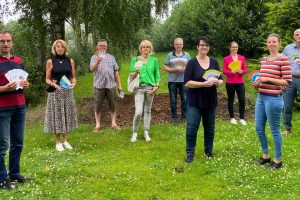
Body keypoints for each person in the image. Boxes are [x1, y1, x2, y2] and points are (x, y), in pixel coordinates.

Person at [253, 33, 291, 170]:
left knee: (275, 130)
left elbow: (286, 81)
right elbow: (262, 77)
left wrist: (268, 80)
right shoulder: (264, 59)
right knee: (258, 128)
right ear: (267, 44)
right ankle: (265, 155)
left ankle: (277, 159)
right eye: (269, 42)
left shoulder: (284, 59)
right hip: (261, 97)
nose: (272, 44)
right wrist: (257, 82)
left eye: (274, 42)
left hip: (274, 99)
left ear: (279, 43)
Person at [0, 31, 31, 190]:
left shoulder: (18, 60)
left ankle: (14, 174)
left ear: (12, 43)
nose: (5, 44)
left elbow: (23, 81)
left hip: (20, 106)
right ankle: (2, 178)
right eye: (2, 41)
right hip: (2, 109)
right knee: (2, 145)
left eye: (8, 41)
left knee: (18, 142)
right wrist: (3, 88)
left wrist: (26, 83)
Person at [184, 36, 223, 163]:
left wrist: (219, 82)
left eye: (206, 45)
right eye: (202, 45)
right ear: (197, 47)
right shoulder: (191, 63)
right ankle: (190, 153)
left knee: (210, 128)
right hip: (195, 101)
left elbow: (220, 78)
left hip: (210, 100)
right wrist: (202, 84)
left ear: (209, 47)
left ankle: (208, 151)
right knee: (191, 128)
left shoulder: (214, 62)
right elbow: (187, 82)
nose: (204, 47)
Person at [44, 39, 77, 152]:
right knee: (57, 116)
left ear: (65, 48)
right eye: (58, 46)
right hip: (55, 92)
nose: (60, 48)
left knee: (66, 115)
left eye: (62, 46)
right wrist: (53, 84)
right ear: (54, 48)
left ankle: (66, 141)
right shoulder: (50, 62)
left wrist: (74, 82)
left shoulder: (70, 61)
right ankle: (58, 142)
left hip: (67, 92)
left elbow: (73, 76)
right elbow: (47, 79)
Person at [130, 40, 160, 142]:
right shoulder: (135, 59)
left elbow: (157, 76)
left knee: (148, 110)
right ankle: (135, 133)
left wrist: (157, 86)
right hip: (139, 88)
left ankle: (146, 132)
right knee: (138, 112)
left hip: (150, 88)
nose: (145, 49)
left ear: (150, 49)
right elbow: (131, 76)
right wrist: (136, 71)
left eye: (147, 47)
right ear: (140, 48)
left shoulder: (154, 60)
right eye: (143, 47)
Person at [89, 39, 122, 132]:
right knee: (97, 105)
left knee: (112, 105)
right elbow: (91, 69)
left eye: (104, 46)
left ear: (106, 47)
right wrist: (98, 61)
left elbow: (116, 71)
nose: (102, 47)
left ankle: (114, 123)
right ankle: (97, 125)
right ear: (97, 46)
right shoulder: (94, 57)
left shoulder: (111, 57)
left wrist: (119, 85)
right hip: (98, 85)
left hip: (111, 85)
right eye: (101, 45)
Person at [164, 38, 191, 124]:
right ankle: (174, 118)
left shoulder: (187, 55)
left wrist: (185, 69)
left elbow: (191, 66)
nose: (178, 46)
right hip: (172, 81)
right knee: (173, 100)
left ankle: (184, 118)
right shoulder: (169, 55)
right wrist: (172, 70)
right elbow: (165, 66)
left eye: (180, 44)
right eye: (177, 44)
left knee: (185, 99)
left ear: (182, 45)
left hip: (184, 80)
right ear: (174, 45)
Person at [222, 41, 247, 125]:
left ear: (238, 48)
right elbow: (224, 70)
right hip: (230, 82)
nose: (235, 48)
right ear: (230, 48)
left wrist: (241, 71)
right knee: (231, 100)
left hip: (240, 82)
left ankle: (242, 118)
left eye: (236, 47)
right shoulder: (226, 59)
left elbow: (245, 70)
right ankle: (232, 118)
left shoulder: (242, 58)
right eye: (233, 47)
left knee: (242, 100)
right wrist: (230, 72)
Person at [283, 28, 300, 135]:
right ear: (294, 37)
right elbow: (282, 63)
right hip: (290, 79)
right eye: (297, 34)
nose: (299, 36)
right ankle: (287, 129)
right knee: (287, 106)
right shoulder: (288, 49)